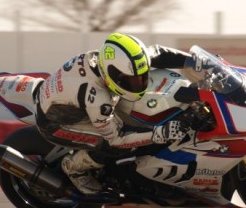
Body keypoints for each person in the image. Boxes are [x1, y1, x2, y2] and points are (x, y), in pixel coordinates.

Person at [33, 32, 193, 196]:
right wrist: (160, 133)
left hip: (68, 98)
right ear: (113, 75)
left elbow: (158, 53)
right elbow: (117, 138)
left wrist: (194, 61)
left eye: (142, 77)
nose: (139, 83)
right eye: (132, 80)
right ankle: (74, 168)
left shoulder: (119, 61)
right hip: (56, 123)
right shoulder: (98, 98)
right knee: (115, 146)